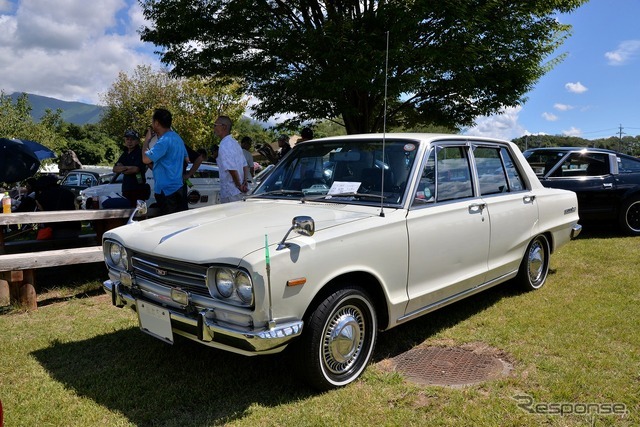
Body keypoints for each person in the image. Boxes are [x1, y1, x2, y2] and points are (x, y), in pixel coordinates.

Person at [142, 108, 188, 216]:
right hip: (179, 187)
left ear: (157, 123)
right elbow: (187, 158)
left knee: (168, 225)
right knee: (179, 222)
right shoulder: (178, 138)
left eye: (153, 121)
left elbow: (145, 159)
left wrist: (147, 141)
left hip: (166, 191)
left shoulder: (164, 141)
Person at [214, 116, 249, 203]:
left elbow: (231, 169)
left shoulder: (224, 145)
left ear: (224, 127)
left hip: (230, 192)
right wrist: (244, 182)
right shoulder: (235, 143)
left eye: (215, 125)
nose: (214, 128)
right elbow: (245, 165)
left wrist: (238, 185)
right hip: (240, 191)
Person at [34, 175, 81, 239]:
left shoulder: (43, 195)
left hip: (56, 230)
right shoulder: (68, 193)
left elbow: (41, 213)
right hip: (75, 229)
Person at [112, 130, 149, 207]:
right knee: (126, 213)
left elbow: (136, 169)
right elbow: (115, 169)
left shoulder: (140, 153)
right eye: (127, 139)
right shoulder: (124, 154)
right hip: (126, 189)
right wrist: (127, 168)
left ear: (137, 141)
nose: (129, 141)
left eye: (132, 139)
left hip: (138, 189)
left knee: (138, 214)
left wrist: (122, 168)